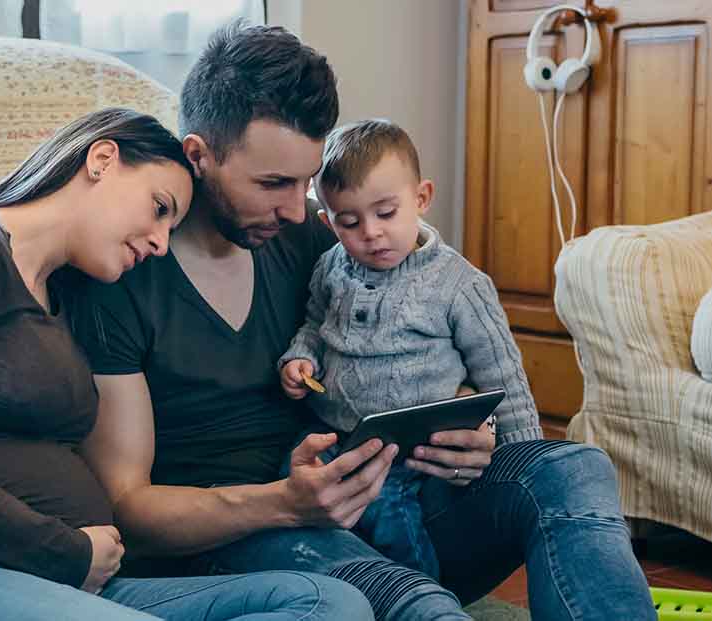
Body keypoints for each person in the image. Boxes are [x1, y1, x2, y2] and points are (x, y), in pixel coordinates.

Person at [72, 23, 657, 621]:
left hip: (387, 495)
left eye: (306, 183)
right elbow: (127, 507)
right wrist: (284, 504)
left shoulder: (307, 236)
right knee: (408, 601)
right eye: (273, 183)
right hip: (247, 534)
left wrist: (467, 429)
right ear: (199, 156)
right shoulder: (123, 272)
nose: (299, 209)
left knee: (572, 469)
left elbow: (414, 318)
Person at [0, 107, 375, 621]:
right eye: (159, 208)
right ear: (102, 160)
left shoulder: (63, 293)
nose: (161, 242)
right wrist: (62, 548)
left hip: (60, 581)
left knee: (329, 604)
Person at [276, 118, 541, 578]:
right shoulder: (329, 269)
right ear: (328, 221)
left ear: (421, 199)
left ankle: (420, 596)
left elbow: (502, 374)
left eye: (386, 213)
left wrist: (521, 458)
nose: (371, 233)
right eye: (350, 222)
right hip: (335, 435)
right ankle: (344, 585)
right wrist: (300, 358)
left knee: (391, 518)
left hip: (410, 448)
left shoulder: (458, 284)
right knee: (292, 485)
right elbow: (315, 325)